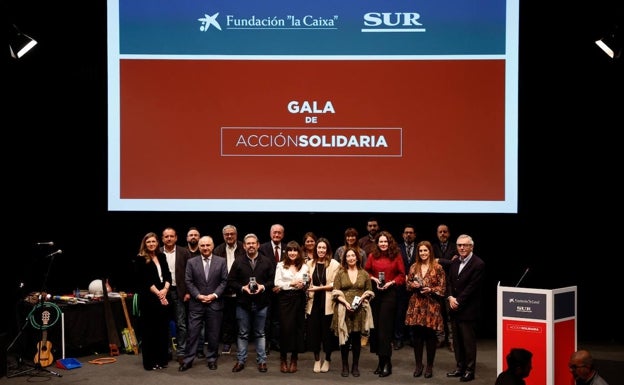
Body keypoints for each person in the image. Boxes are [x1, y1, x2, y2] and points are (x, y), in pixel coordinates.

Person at [227, 233, 275, 373]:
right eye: (248, 243)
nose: (251, 245)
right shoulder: (238, 261)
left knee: (260, 333)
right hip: (243, 303)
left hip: (262, 303)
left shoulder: (266, 261)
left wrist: (263, 287)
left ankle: (262, 361)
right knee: (243, 333)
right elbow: (231, 281)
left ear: (258, 245)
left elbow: (273, 281)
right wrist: (242, 288)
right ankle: (241, 361)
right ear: (244, 246)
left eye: (253, 243)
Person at [179, 236, 228, 372]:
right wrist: (198, 296)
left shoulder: (221, 261)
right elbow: (188, 281)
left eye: (208, 245)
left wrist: (213, 295)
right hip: (197, 303)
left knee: (213, 334)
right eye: (202, 246)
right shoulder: (191, 262)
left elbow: (224, 281)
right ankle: (188, 360)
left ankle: (212, 359)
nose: (205, 248)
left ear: (212, 246)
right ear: (199, 247)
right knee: (193, 333)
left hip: (215, 303)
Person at [364, 230, 406, 377]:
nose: (383, 244)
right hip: (376, 295)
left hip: (390, 294)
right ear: (377, 243)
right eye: (380, 242)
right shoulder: (372, 256)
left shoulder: (396, 256)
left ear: (390, 243)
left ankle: (387, 362)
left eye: (385, 242)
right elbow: (366, 271)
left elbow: (402, 275)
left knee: (385, 330)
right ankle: (380, 362)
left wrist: (391, 283)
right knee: (375, 330)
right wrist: (374, 279)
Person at [446, 234, 485, 383]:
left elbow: (472, 288)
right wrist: (450, 297)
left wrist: (458, 301)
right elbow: (449, 282)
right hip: (454, 308)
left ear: (471, 247)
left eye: (465, 245)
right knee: (457, 342)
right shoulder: (455, 262)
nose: (462, 247)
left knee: (468, 343)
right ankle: (460, 367)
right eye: (459, 245)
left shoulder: (478, 264)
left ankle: (469, 370)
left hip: (468, 310)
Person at [405, 241, 446, 379]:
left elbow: (442, 288)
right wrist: (413, 284)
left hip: (431, 305)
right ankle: (418, 365)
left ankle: (429, 366)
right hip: (416, 305)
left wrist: (431, 289)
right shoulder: (413, 267)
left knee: (430, 337)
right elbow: (408, 285)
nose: (423, 253)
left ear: (430, 252)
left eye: (425, 251)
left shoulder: (438, 267)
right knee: (417, 337)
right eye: (421, 251)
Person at [331, 247, 375, 377]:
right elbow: (335, 292)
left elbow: (369, 291)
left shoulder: (364, 274)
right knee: (344, 339)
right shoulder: (340, 273)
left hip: (359, 310)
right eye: (348, 256)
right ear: (345, 258)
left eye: (353, 256)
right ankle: (345, 365)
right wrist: (345, 303)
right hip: (344, 310)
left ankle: (355, 365)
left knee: (356, 339)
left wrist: (362, 299)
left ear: (357, 258)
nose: (350, 258)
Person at [133, 232, 172, 371]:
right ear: (145, 243)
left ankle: (161, 360)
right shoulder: (140, 259)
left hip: (163, 295)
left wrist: (165, 290)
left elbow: (167, 274)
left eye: (153, 242)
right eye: (148, 242)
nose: (151, 244)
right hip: (149, 299)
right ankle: (150, 362)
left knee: (162, 331)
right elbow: (145, 280)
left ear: (157, 243)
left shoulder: (162, 256)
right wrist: (160, 295)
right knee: (149, 332)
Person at [306, 237, 341, 373]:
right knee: (314, 334)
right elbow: (306, 281)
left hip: (328, 304)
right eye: (319, 248)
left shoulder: (334, 264)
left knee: (327, 335)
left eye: (323, 248)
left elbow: (335, 284)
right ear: (316, 249)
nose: (321, 250)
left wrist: (318, 288)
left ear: (327, 250)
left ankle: (327, 359)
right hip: (313, 303)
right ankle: (316, 360)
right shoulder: (309, 264)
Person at [273, 240, 309, 373]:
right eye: (290, 250)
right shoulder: (281, 265)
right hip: (285, 299)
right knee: (285, 329)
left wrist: (303, 285)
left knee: (298, 329)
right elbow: (277, 283)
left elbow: (306, 281)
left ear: (298, 252)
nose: (292, 253)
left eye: (295, 250)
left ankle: (294, 359)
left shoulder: (304, 266)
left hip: (299, 298)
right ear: (286, 252)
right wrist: (292, 284)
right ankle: (283, 359)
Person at [160, 227, 192, 364]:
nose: (169, 239)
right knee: (164, 323)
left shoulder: (184, 252)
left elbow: (190, 274)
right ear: (162, 239)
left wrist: (188, 291)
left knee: (181, 324)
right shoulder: (157, 252)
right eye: (166, 236)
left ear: (176, 238)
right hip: (162, 293)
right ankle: (166, 352)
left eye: (171, 236)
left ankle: (181, 352)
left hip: (180, 292)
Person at [213, 224, 246, 355]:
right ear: (223, 236)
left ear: (236, 235)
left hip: (241, 288)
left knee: (241, 318)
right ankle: (227, 342)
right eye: (227, 234)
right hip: (224, 290)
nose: (229, 236)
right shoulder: (218, 250)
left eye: (232, 234)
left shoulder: (243, 248)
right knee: (226, 318)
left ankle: (241, 342)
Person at [258, 223, 286, 352]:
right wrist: (270, 285)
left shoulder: (287, 248)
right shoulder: (262, 248)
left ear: (283, 235)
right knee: (266, 319)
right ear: (270, 234)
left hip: (282, 291)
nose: (277, 235)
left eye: (279, 232)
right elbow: (260, 269)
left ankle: (276, 342)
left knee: (278, 319)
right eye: (274, 232)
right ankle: (266, 344)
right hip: (266, 290)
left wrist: (280, 285)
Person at [432, 223, 458, 350]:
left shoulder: (455, 247)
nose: (442, 234)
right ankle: (440, 338)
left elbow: (455, 264)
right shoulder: (433, 247)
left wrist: (439, 260)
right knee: (438, 314)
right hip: (436, 285)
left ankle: (451, 340)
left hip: (450, 285)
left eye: (445, 232)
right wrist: (448, 262)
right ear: (437, 234)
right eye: (440, 232)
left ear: (449, 233)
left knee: (449, 314)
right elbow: (431, 262)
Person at [394, 224, 417, 350]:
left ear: (414, 235)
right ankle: (399, 339)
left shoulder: (420, 248)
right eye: (406, 232)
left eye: (411, 232)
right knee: (400, 312)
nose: (408, 234)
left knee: (413, 312)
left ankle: (413, 337)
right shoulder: (397, 248)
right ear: (403, 235)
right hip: (401, 286)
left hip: (415, 286)